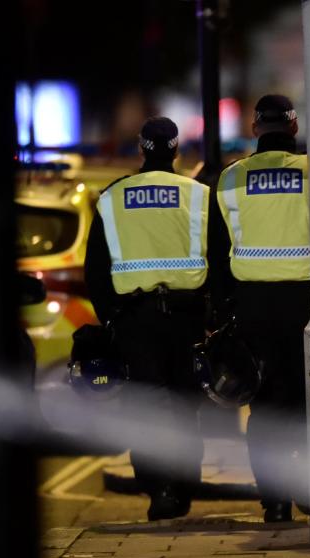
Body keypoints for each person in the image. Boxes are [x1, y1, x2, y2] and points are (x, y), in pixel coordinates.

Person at [211, 95, 310, 523]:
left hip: (253, 307)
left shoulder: (231, 179)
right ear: (293, 128)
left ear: (256, 129)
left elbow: (218, 251)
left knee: (266, 406)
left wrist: (221, 312)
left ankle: (273, 499)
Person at [85, 116, 220, 521]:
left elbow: (95, 268)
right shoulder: (198, 195)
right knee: (183, 403)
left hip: (135, 319)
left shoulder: (112, 197)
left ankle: (160, 488)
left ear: (141, 149)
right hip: (187, 316)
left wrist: (110, 317)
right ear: (177, 150)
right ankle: (180, 484)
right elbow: (219, 258)